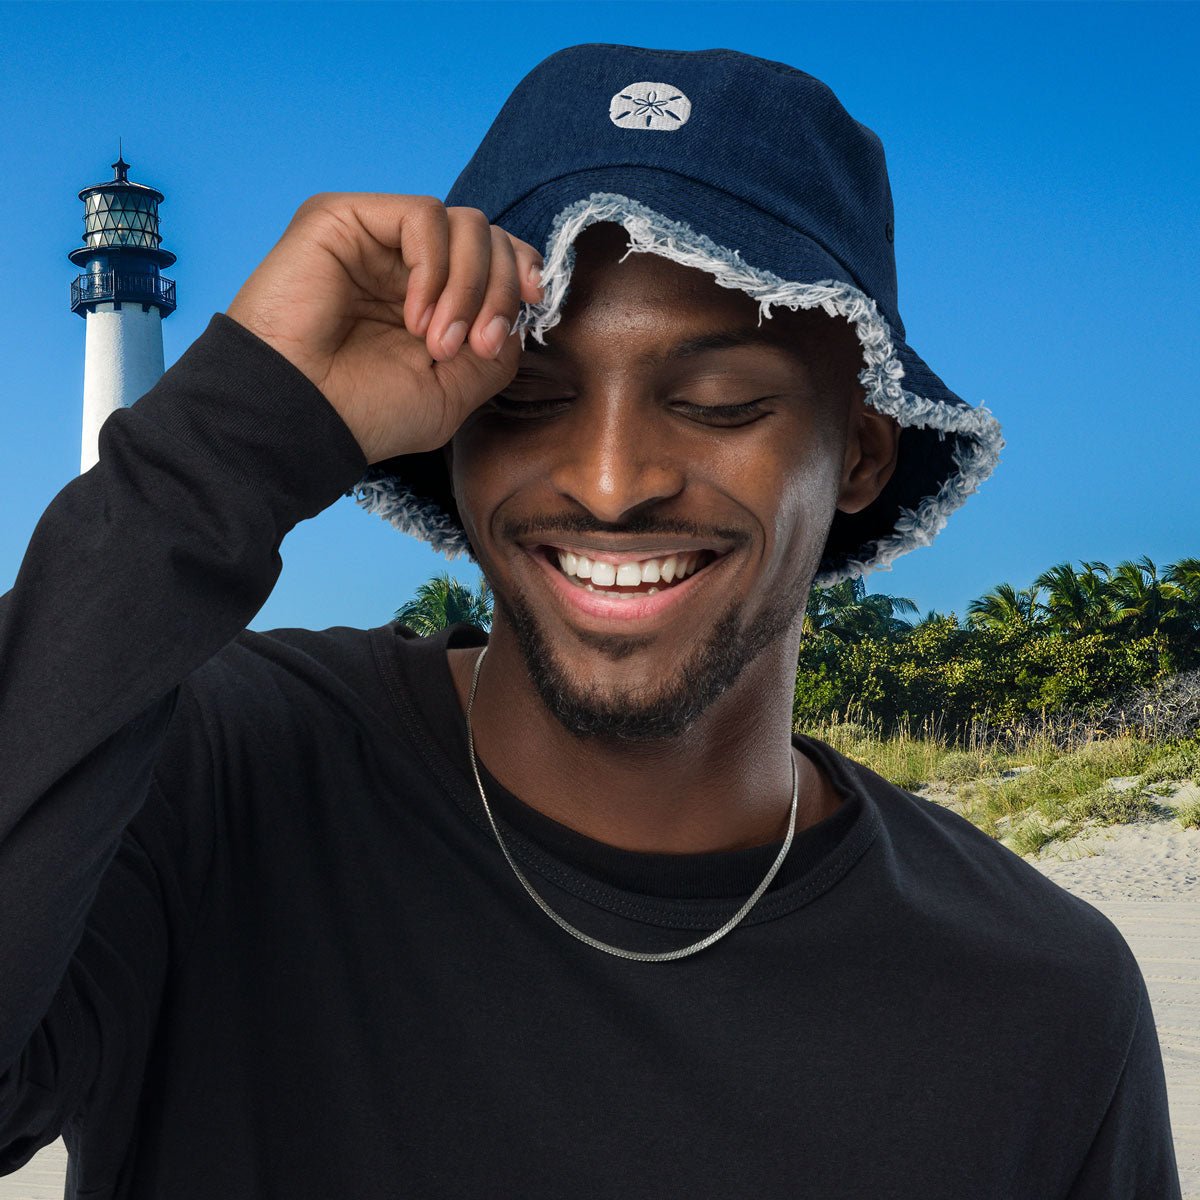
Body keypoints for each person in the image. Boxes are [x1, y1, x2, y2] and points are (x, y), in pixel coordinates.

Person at [0, 42, 1181, 1200]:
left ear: (863, 451)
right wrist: (231, 431)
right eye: (526, 399)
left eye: (719, 403)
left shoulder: (1042, 1006)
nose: (611, 482)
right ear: (449, 425)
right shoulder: (206, 781)